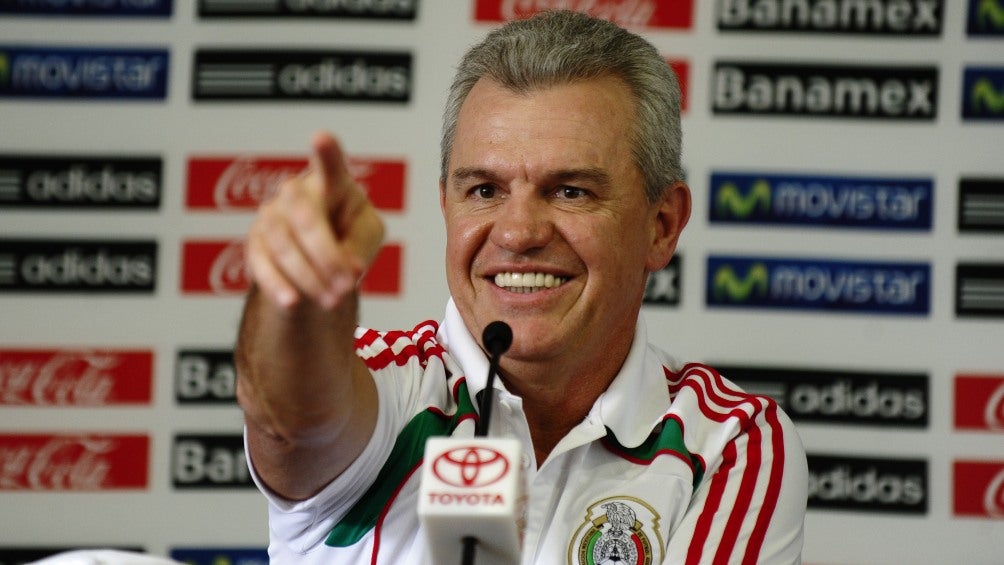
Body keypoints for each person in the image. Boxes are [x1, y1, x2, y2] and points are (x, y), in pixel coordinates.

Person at [235, 10, 807, 565]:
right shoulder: (390, 383)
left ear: (661, 226)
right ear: (446, 206)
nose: (517, 232)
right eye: (484, 190)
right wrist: (295, 300)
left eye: (571, 191)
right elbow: (291, 416)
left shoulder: (728, 441)